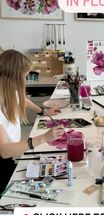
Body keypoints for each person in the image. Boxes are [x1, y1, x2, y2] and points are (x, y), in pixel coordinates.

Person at [0, 49, 64, 194]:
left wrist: (43, 111)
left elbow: (24, 101)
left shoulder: (9, 91)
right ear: (13, 78)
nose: (25, 81)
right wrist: (43, 138)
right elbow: (4, 150)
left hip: (9, 157)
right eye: (24, 77)